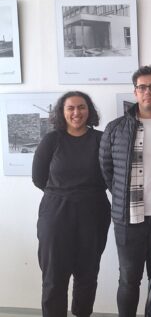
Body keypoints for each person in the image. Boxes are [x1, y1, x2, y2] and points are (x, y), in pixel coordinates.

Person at [99, 65, 151, 317]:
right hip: (128, 220)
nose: (148, 92)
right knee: (128, 280)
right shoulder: (115, 128)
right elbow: (106, 169)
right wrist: (123, 197)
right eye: (142, 87)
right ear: (135, 93)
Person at [33, 91, 111, 317]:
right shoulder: (52, 140)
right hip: (56, 214)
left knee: (87, 276)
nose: (77, 112)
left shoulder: (101, 139)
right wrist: (64, 194)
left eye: (82, 107)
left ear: (89, 111)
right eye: (71, 108)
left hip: (94, 213)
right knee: (54, 278)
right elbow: (38, 178)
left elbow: (109, 175)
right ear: (62, 112)